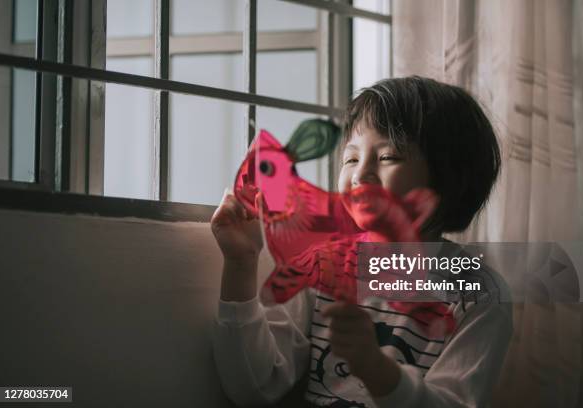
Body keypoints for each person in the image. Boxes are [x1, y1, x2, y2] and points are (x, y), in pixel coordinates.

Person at [210, 76, 513, 407]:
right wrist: (241, 263)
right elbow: (254, 387)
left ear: (449, 176)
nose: (359, 175)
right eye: (351, 158)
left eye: (387, 157)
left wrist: (377, 369)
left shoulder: (479, 294)